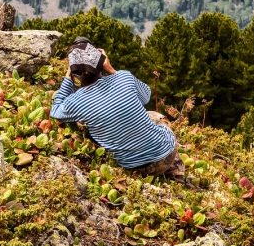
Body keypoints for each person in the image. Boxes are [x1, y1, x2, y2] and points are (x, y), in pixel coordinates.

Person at [50, 38, 185, 181]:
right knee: (154, 116)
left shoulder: (76, 102)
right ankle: (176, 170)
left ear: (75, 73)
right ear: (101, 61)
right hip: (167, 156)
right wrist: (112, 70)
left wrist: (68, 77)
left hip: (135, 169)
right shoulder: (123, 77)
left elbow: (55, 111)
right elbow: (146, 97)